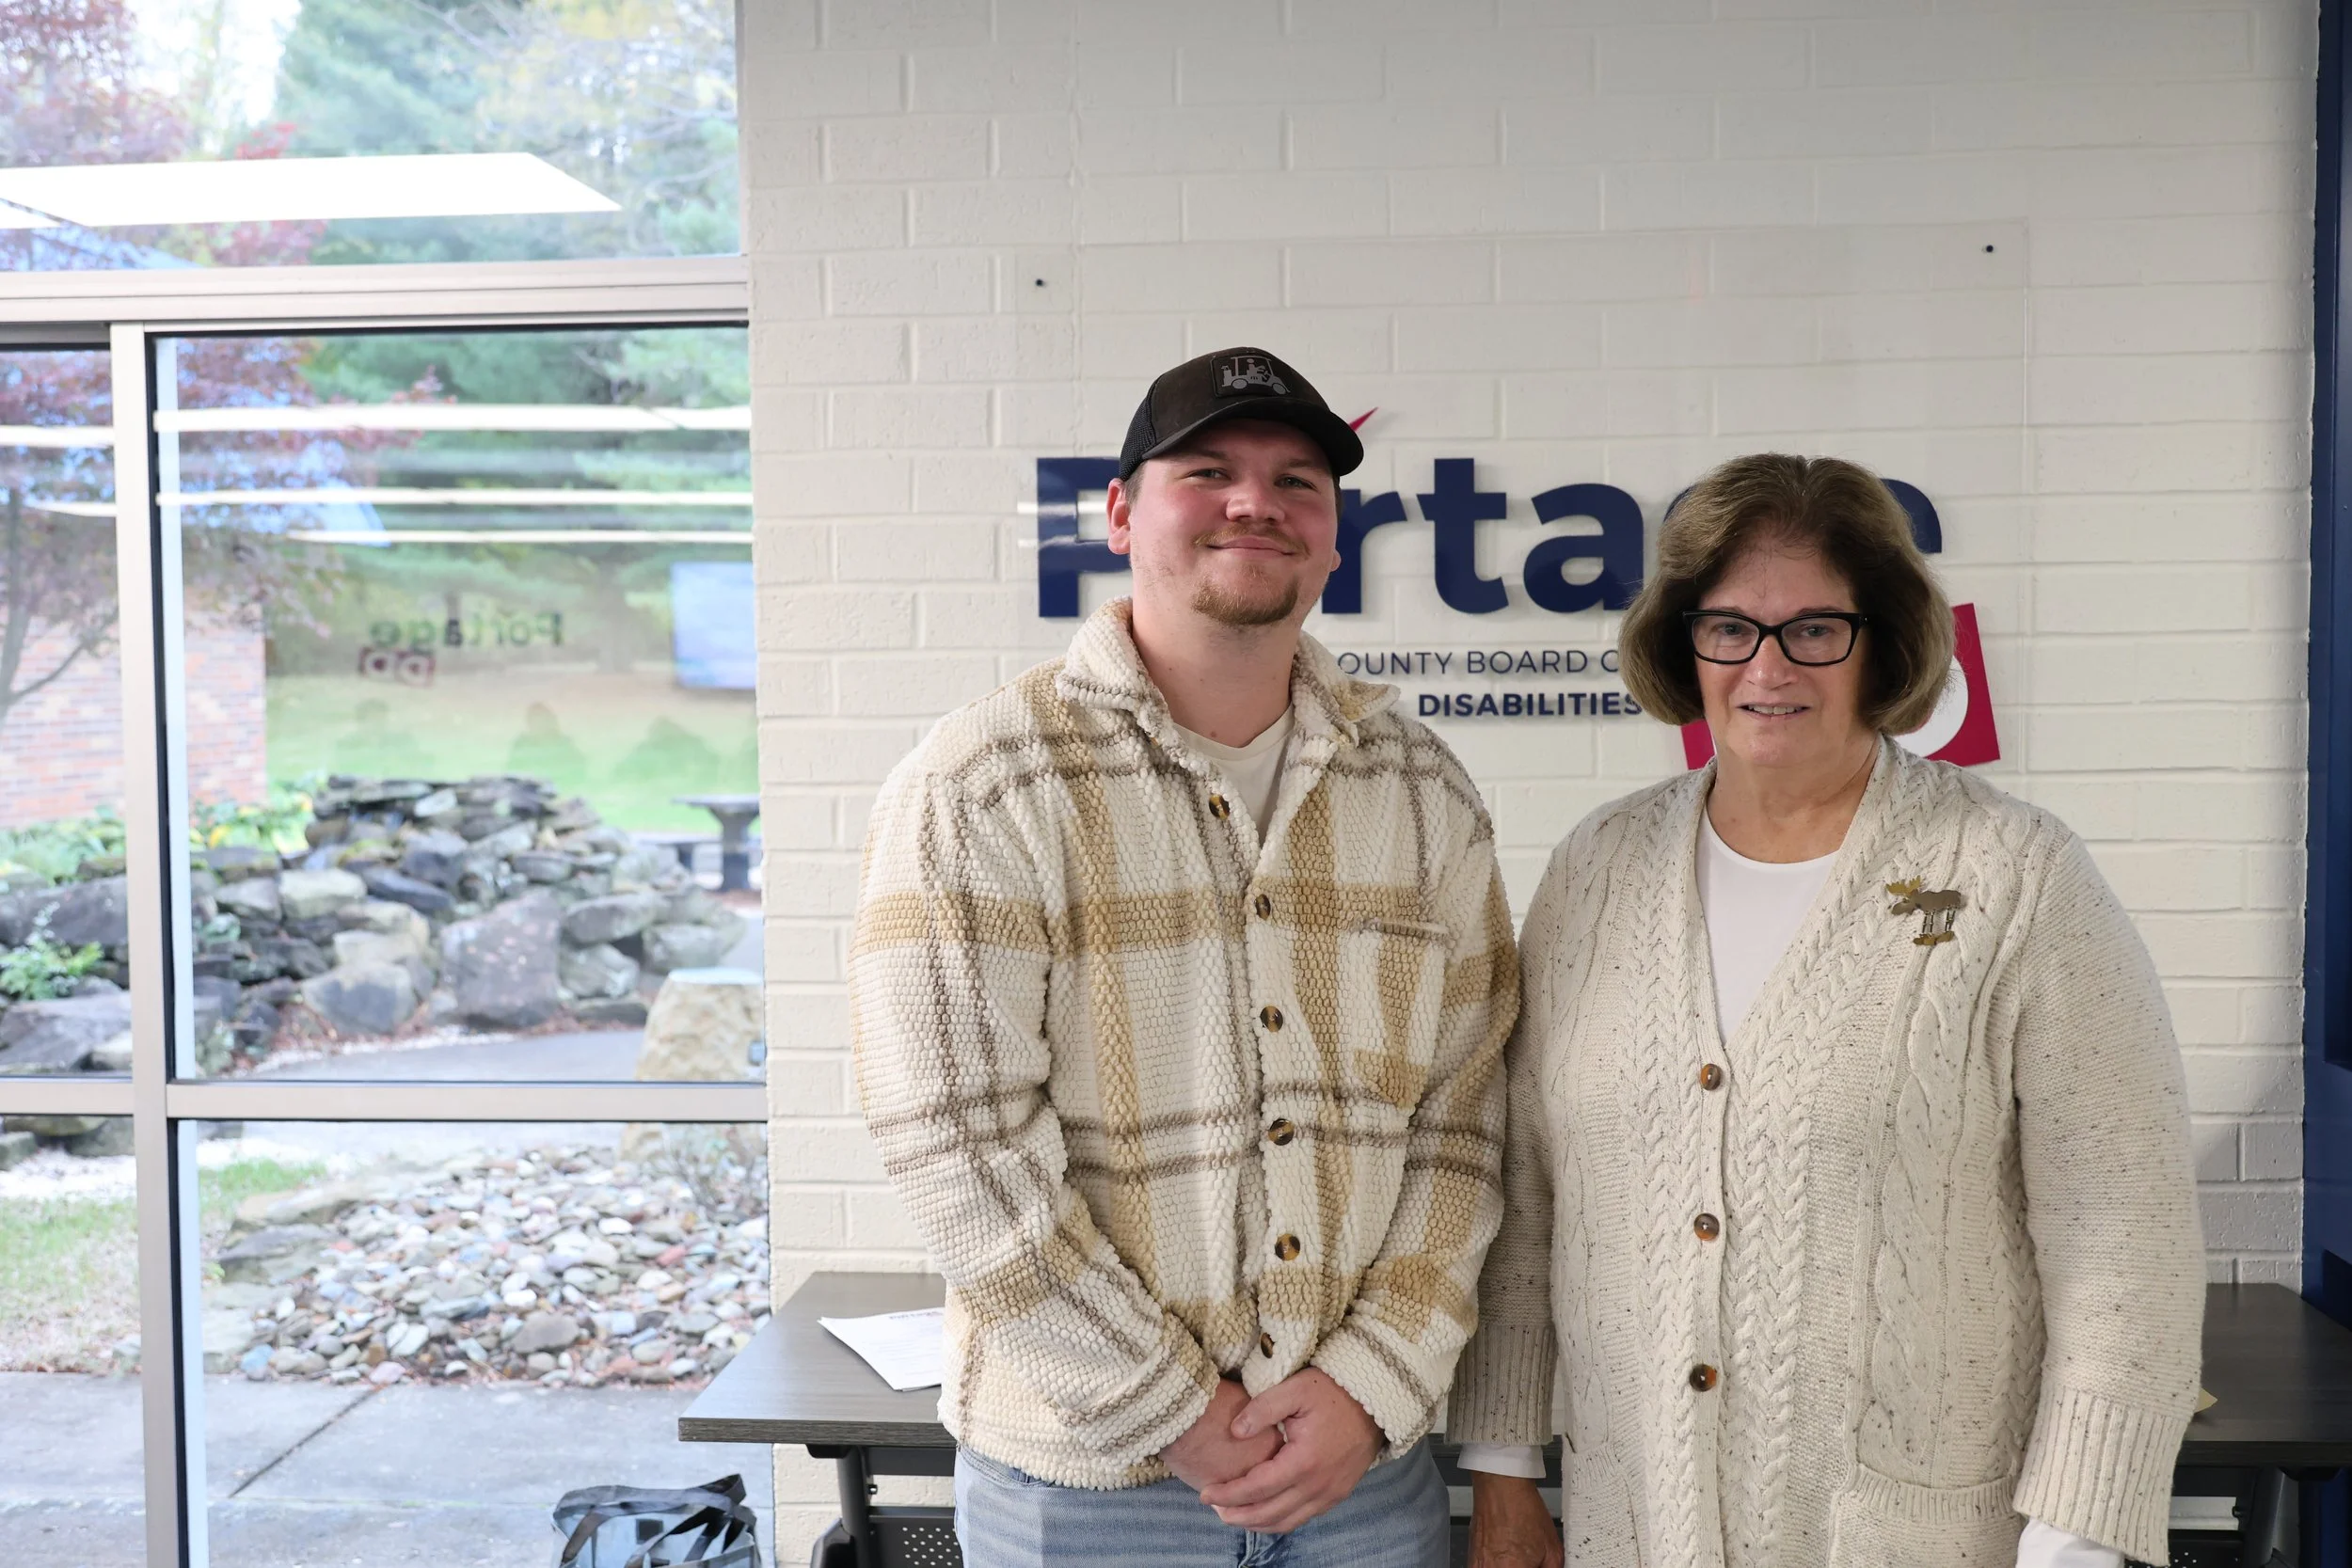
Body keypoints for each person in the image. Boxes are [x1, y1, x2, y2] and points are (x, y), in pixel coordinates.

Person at [1451, 454, 2203, 1568]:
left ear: (1879, 644)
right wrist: (1504, 1472)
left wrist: (2076, 1534)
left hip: (1917, 1534)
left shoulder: (2014, 874)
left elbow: (2122, 1231)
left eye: (1814, 628)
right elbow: (1526, 1190)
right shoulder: (1594, 871)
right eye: (1730, 628)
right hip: (1633, 1522)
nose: (1767, 665)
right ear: (1683, 642)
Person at [850, 347, 1519, 1567]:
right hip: (1091, 1479)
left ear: (1332, 537)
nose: (1254, 502)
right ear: (1119, 512)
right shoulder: (985, 783)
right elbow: (951, 1134)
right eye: (1208, 469)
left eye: (1296, 481)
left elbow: (1465, 1120)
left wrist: (1370, 1379)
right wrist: (1172, 1406)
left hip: (1359, 1477)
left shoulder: (1422, 791)